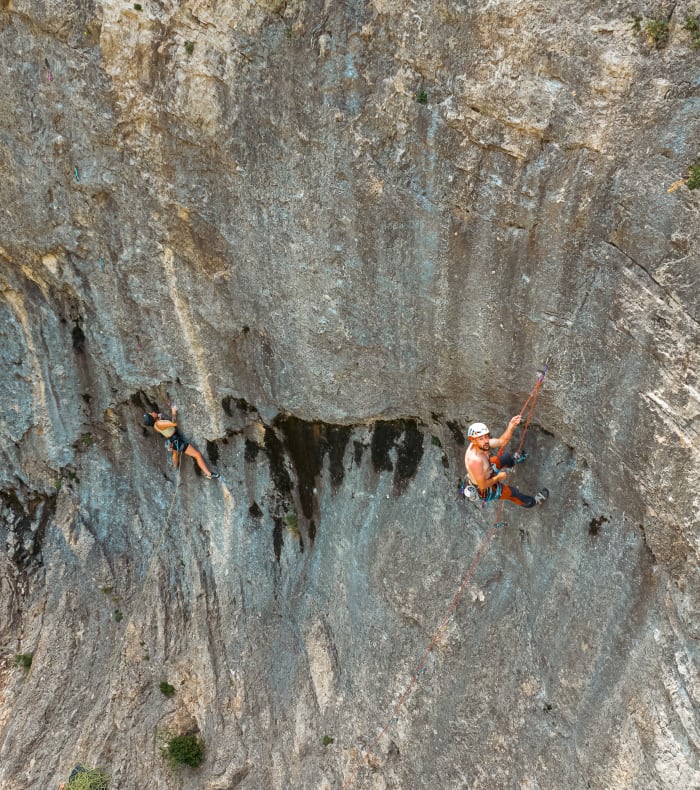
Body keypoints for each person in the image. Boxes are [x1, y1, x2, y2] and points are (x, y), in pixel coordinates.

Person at [464, 416, 547, 508]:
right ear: (473, 440)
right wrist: (498, 477)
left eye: (486, 436)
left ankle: (514, 460)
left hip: (487, 470)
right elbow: (483, 485)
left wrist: (511, 425)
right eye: (481, 438)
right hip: (485, 488)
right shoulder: (475, 461)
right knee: (513, 493)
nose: (486, 441)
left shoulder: (481, 444)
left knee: (505, 458)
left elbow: (501, 441)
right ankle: (533, 502)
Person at [143, 404, 219, 479]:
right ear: (153, 418)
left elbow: (163, 425)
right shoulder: (159, 423)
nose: (152, 412)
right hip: (177, 441)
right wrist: (173, 412)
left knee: (175, 452)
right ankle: (208, 474)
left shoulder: (155, 426)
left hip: (173, 440)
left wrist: (159, 418)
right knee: (197, 455)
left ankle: (174, 466)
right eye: (151, 414)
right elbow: (173, 423)